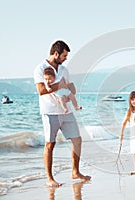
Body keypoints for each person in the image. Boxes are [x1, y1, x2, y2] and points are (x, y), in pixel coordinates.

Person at [34, 40, 91, 187]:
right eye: (64, 56)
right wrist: (60, 85)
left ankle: (75, 171)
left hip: (66, 110)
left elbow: (71, 87)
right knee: (50, 144)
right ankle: (50, 178)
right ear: (56, 53)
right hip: (50, 112)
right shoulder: (40, 69)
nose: (66, 58)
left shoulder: (64, 70)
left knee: (77, 140)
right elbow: (41, 90)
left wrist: (70, 89)